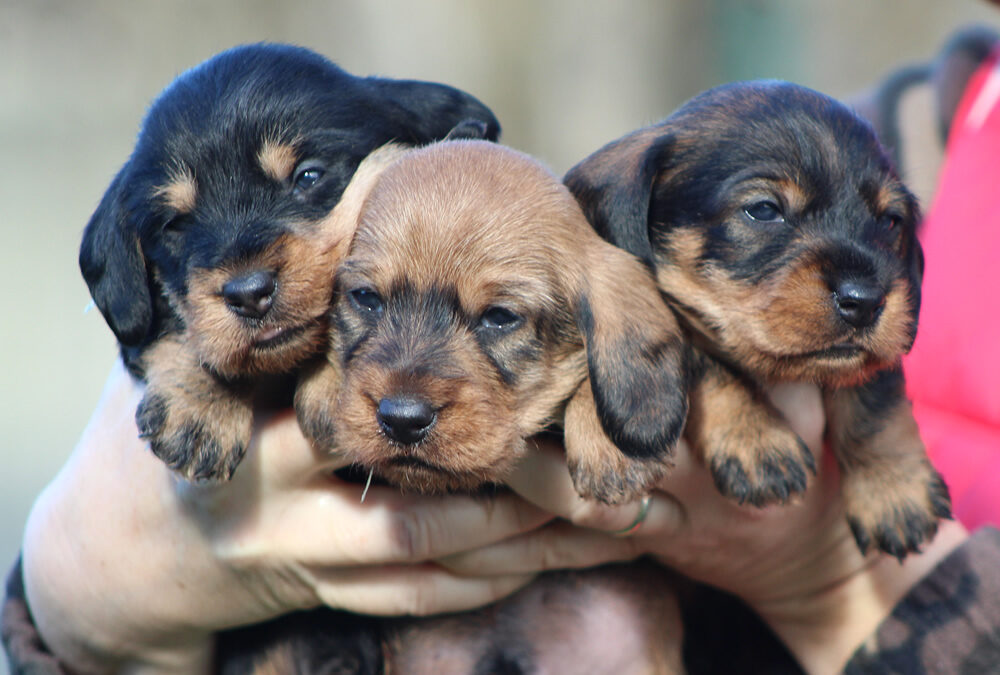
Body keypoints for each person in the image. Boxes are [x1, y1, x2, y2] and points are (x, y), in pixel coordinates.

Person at [7, 32, 1000, 675]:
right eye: (361, 294)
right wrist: (67, 593)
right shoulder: (904, 131)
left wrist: (823, 581)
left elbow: (618, 324)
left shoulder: (627, 297)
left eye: (305, 180)